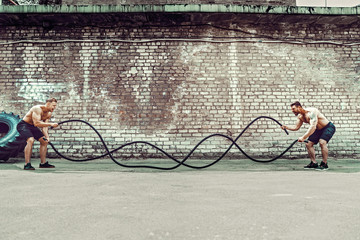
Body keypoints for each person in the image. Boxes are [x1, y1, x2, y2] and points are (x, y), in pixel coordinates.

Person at [281, 101, 336, 170]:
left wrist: (303, 137)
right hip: (317, 129)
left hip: (327, 127)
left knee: (322, 142)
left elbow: (313, 126)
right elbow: (296, 127)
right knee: (308, 144)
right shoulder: (300, 117)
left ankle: (324, 164)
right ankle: (314, 163)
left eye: (293, 109)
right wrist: (286, 127)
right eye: (292, 109)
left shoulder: (312, 112)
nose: (292, 111)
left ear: (299, 107)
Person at [17, 98, 59, 170]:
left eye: (55, 106)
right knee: (30, 140)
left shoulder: (49, 114)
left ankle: (43, 163)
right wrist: (51, 124)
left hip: (33, 126)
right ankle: (27, 164)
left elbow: (44, 127)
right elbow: (37, 123)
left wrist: (47, 137)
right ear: (48, 104)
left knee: (44, 141)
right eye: (53, 105)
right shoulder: (37, 109)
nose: (54, 108)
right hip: (24, 125)